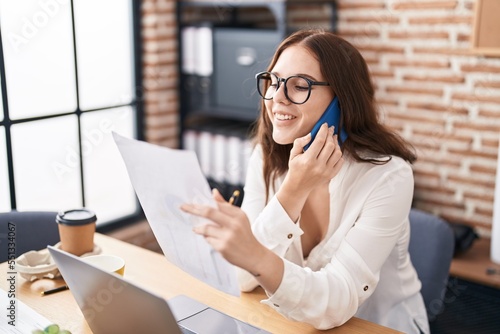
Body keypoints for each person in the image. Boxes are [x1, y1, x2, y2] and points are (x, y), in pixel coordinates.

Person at [181, 28, 429, 333]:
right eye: (273, 82)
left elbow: (337, 303)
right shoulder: (265, 157)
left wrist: (255, 253)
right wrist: (292, 190)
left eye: (300, 86)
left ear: (341, 101)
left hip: (379, 326)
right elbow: (242, 280)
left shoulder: (389, 176)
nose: (278, 98)